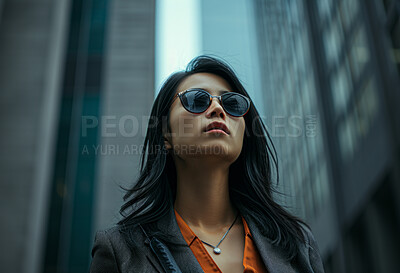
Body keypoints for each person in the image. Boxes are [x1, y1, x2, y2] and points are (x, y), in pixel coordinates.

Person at [90, 55, 325, 273]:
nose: (217, 109)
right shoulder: (121, 250)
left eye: (232, 103)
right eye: (196, 100)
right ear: (166, 134)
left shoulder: (297, 243)